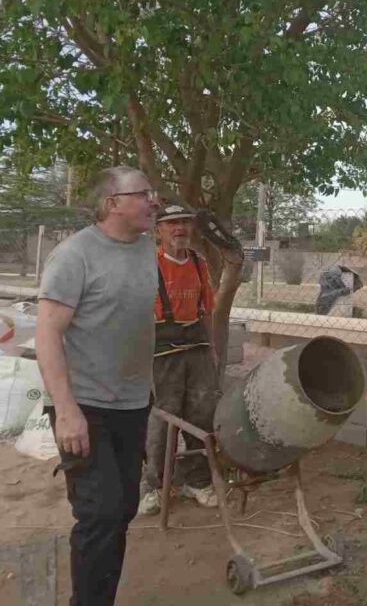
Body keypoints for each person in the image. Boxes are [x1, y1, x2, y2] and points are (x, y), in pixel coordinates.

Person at [36, 167, 160, 606]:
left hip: (132, 404)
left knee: (122, 509)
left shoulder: (149, 251)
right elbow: (47, 333)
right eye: (144, 193)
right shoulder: (75, 255)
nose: (154, 201)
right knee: (100, 514)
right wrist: (65, 411)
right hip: (84, 407)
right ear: (113, 203)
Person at [138, 204, 219, 515]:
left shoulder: (199, 264)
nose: (179, 229)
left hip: (196, 347)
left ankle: (196, 481)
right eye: (171, 224)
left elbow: (207, 311)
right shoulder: (148, 265)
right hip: (162, 353)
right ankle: (154, 486)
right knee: (164, 417)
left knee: (202, 414)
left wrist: (212, 348)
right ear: (158, 230)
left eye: (185, 222)